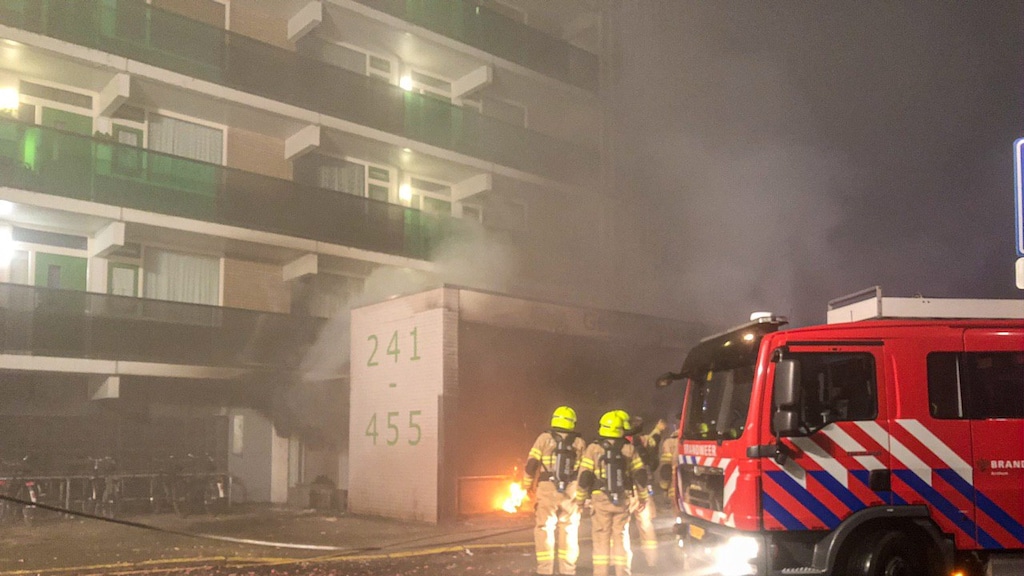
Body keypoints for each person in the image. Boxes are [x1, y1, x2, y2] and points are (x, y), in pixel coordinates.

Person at [575, 410, 649, 576]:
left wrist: (580, 502)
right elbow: (641, 475)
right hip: (622, 500)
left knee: (601, 540)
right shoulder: (629, 448)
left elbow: (584, 478)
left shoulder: (593, 448)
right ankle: (623, 573)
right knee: (621, 537)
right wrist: (642, 498)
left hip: (600, 499)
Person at [523, 405, 587, 576]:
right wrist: (582, 495)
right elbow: (584, 472)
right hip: (571, 490)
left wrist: (527, 485)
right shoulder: (579, 442)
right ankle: (568, 570)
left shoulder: (543, 439)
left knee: (544, 528)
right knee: (569, 528)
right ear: (572, 423)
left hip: (547, 488)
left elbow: (531, 465)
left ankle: (545, 571)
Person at [626, 416, 665, 570]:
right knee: (646, 525)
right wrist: (658, 429)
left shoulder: (620, 443)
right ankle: (652, 562)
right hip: (643, 486)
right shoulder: (645, 440)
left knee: (619, 526)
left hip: (627, 489)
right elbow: (654, 441)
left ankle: (618, 563)